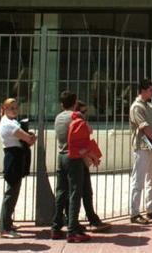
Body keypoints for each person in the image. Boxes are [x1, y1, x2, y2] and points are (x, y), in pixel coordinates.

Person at [50, 91, 90, 243]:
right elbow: (88, 132)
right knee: (75, 193)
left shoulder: (58, 117)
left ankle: (56, 227)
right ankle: (72, 230)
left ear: (61, 104)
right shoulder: (77, 116)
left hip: (61, 156)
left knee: (61, 192)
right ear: (75, 103)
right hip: (74, 157)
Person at [128, 79, 152, 224]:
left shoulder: (151, 106)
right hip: (142, 146)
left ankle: (151, 209)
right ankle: (134, 213)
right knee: (138, 179)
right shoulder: (136, 107)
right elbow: (144, 127)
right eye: (150, 90)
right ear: (143, 91)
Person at [0, 98, 37, 239]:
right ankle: (5, 228)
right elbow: (28, 139)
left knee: (13, 192)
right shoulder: (9, 124)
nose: (14, 110)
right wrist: (31, 136)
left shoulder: (12, 122)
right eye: (11, 108)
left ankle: (7, 222)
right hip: (13, 157)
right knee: (11, 193)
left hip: (17, 156)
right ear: (4, 108)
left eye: (16, 108)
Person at [69, 101, 110, 232]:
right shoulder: (76, 121)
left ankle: (64, 223)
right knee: (81, 192)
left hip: (68, 158)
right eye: (83, 111)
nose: (85, 114)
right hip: (76, 158)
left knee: (71, 192)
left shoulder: (63, 118)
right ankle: (75, 225)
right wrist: (91, 156)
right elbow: (81, 144)